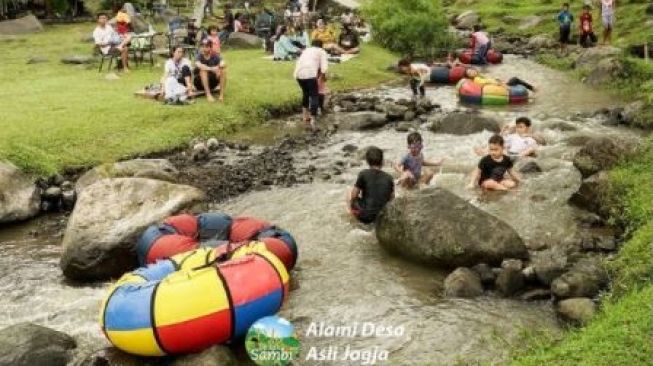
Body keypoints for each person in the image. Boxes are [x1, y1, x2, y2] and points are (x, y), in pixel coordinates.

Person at [348, 146, 394, 224]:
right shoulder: (389, 178)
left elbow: (354, 196)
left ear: (367, 161)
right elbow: (392, 199)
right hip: (381, 218)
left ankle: (350, 214)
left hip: (365, 217)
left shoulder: (363, 174)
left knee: (349, 192)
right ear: (382, 161)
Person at [294, 39, 329, 130]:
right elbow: (324, 68)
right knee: (314, 95)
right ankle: (313, 118)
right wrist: (322, 77)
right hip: (310, 74)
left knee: (305, 93)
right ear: (321, 46)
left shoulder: (306, 50)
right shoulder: (321, 51)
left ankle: (305, 116)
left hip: (298, 74)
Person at [474, 117, 538, 157]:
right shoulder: (513, 136)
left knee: (531, 149)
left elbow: (533, 149)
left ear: (527, 128)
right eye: (517, 127)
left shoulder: (531, 139)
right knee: (497, 145)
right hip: (509, 153)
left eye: (521, 127)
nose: (518, 129)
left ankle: (485, 153)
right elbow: (499, 139)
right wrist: (503, 130)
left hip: (518, 155)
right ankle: (484, 152)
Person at [464, 68, 537, 92]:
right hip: (499, 87)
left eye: (472, 70)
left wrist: (498, 79)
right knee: (515, 79)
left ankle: (532, 88)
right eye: (470, 73)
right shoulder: (477, 79)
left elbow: (489, 80)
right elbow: (488, 83)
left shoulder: (479, 76)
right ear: (470, 76)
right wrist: (503, 84)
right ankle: (533, 88)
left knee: (514, 80)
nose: (472, 71)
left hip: (498, 85)